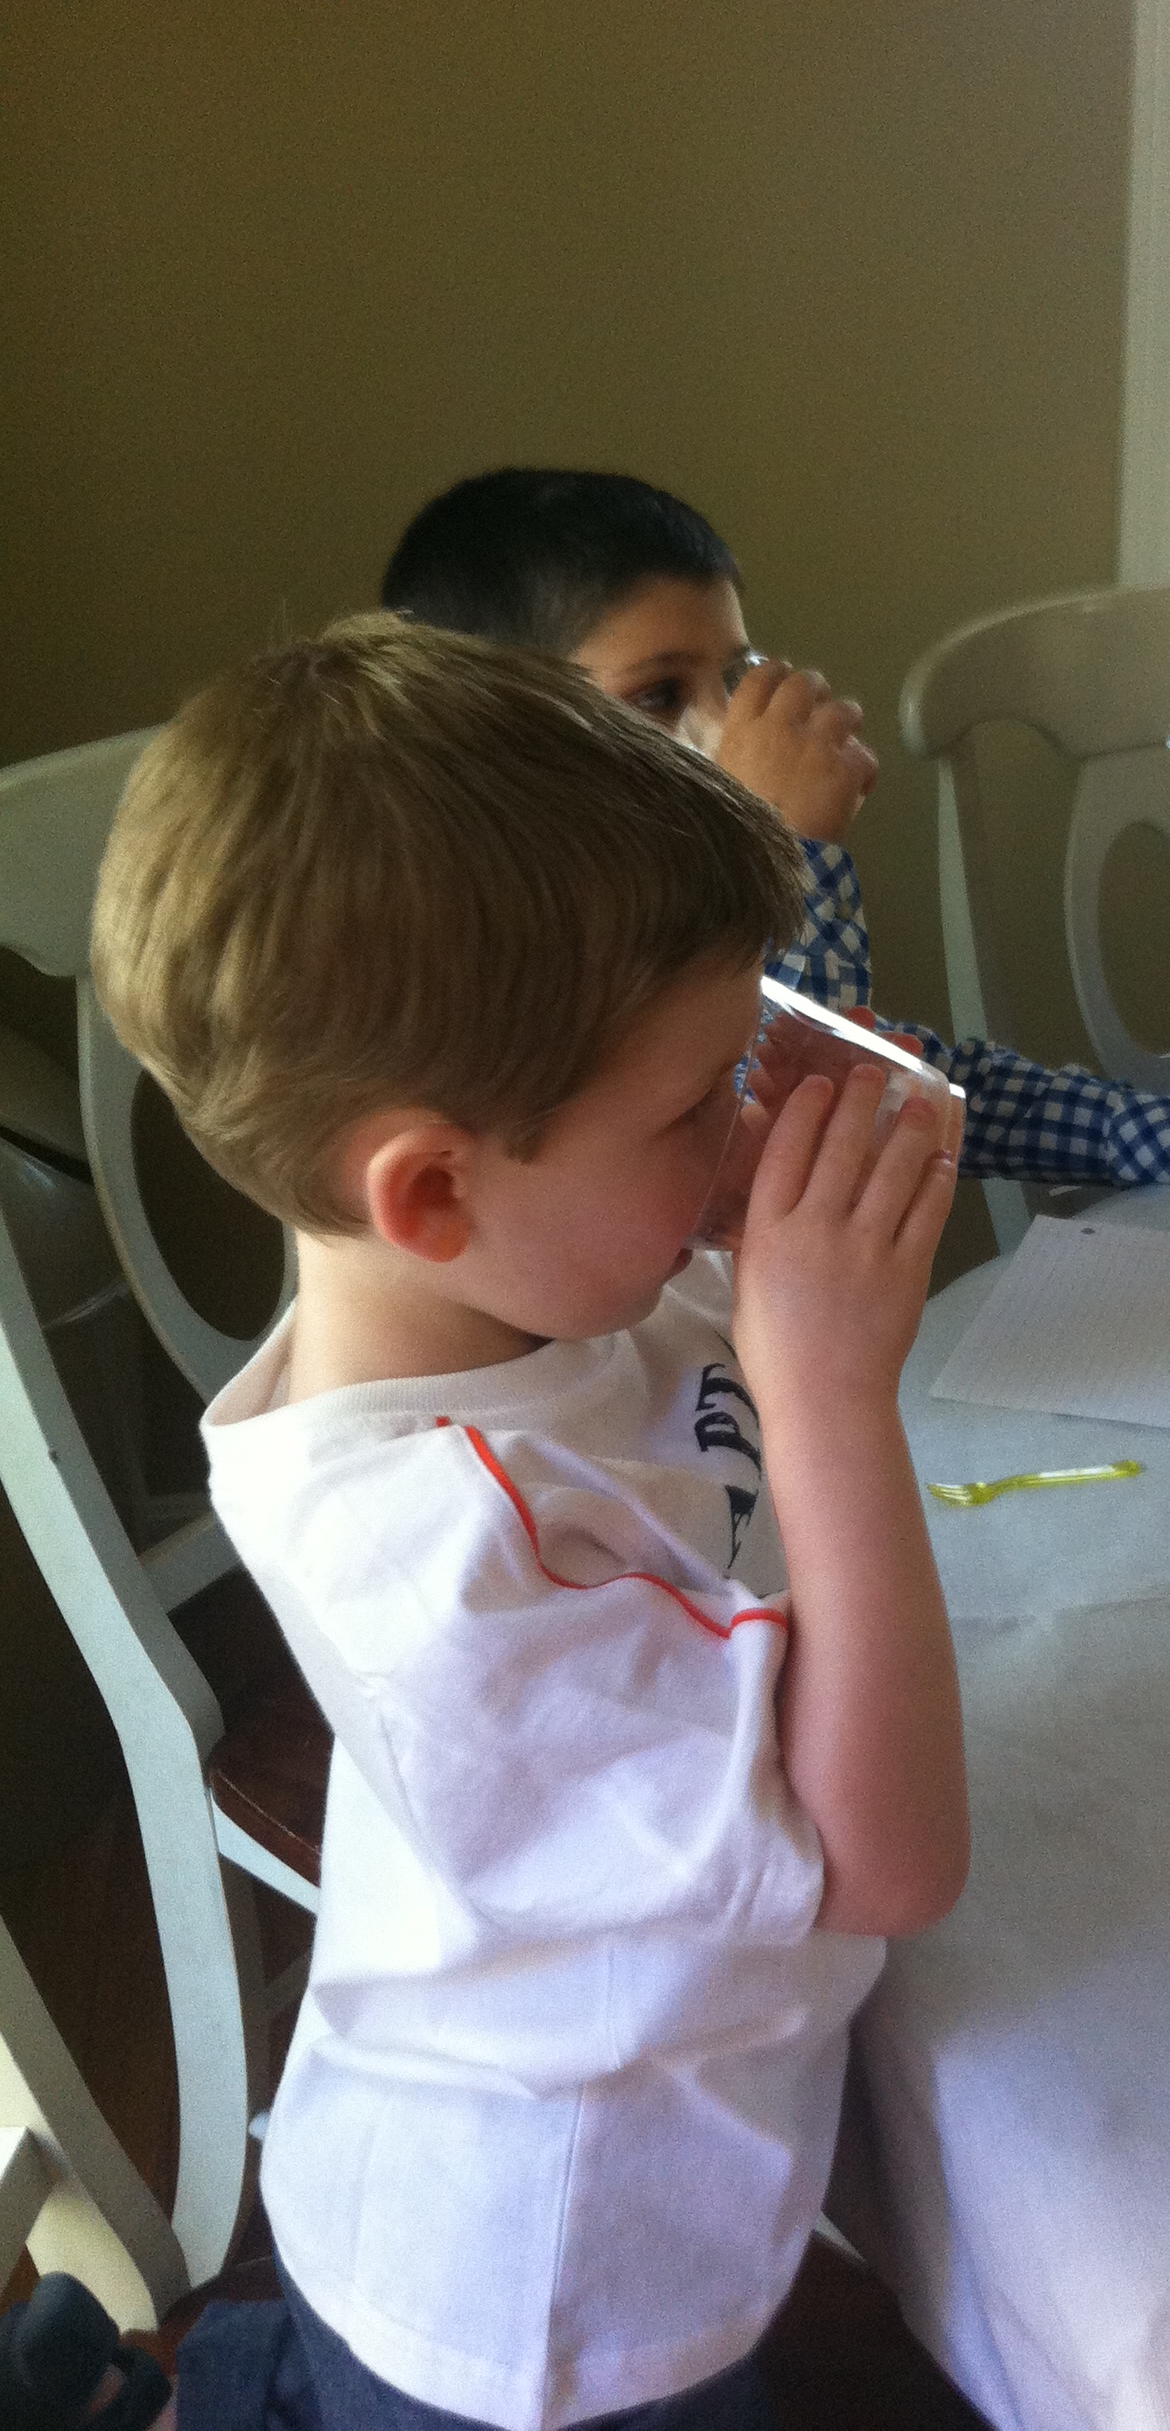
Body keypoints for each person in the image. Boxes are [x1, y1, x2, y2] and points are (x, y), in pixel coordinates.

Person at [75, 615, 971, 2431]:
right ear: (429, 1188)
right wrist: (832, 1399)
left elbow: (850, 1145)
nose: (741, 1132)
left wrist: (738, 1085)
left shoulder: (551, 1277)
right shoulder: (446, 1553)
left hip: (511, 2109)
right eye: (691, 1101)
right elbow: (886, 1863)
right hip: (554, 2293)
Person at [382, 469, 1170, 1219]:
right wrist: (784, 857)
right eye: (657, 696)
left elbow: (890, 1083)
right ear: (491, 746)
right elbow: (792, 1149)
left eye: (731, 677)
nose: (724, 729)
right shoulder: (485, 979)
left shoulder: (679, 910)